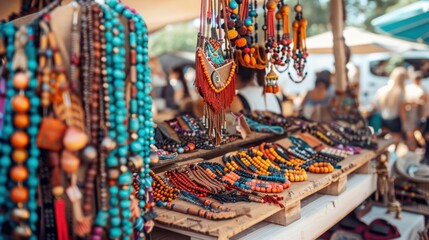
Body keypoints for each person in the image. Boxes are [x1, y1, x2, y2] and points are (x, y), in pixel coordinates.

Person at [375, 67, 407, 142]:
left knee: (385, 141)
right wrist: (404, 123)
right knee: (396, 140)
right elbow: (402, 110)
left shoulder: (382, 90)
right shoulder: (400, 92)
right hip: (395, 119)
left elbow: (377, 106)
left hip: (383, 119)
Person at [405, 71, 427, 150]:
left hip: (415, 114)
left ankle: (417, 147)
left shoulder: (421, 89)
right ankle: (416, 147)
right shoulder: (418, 88)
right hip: (413, 113)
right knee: (413, 132)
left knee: (414, 132)